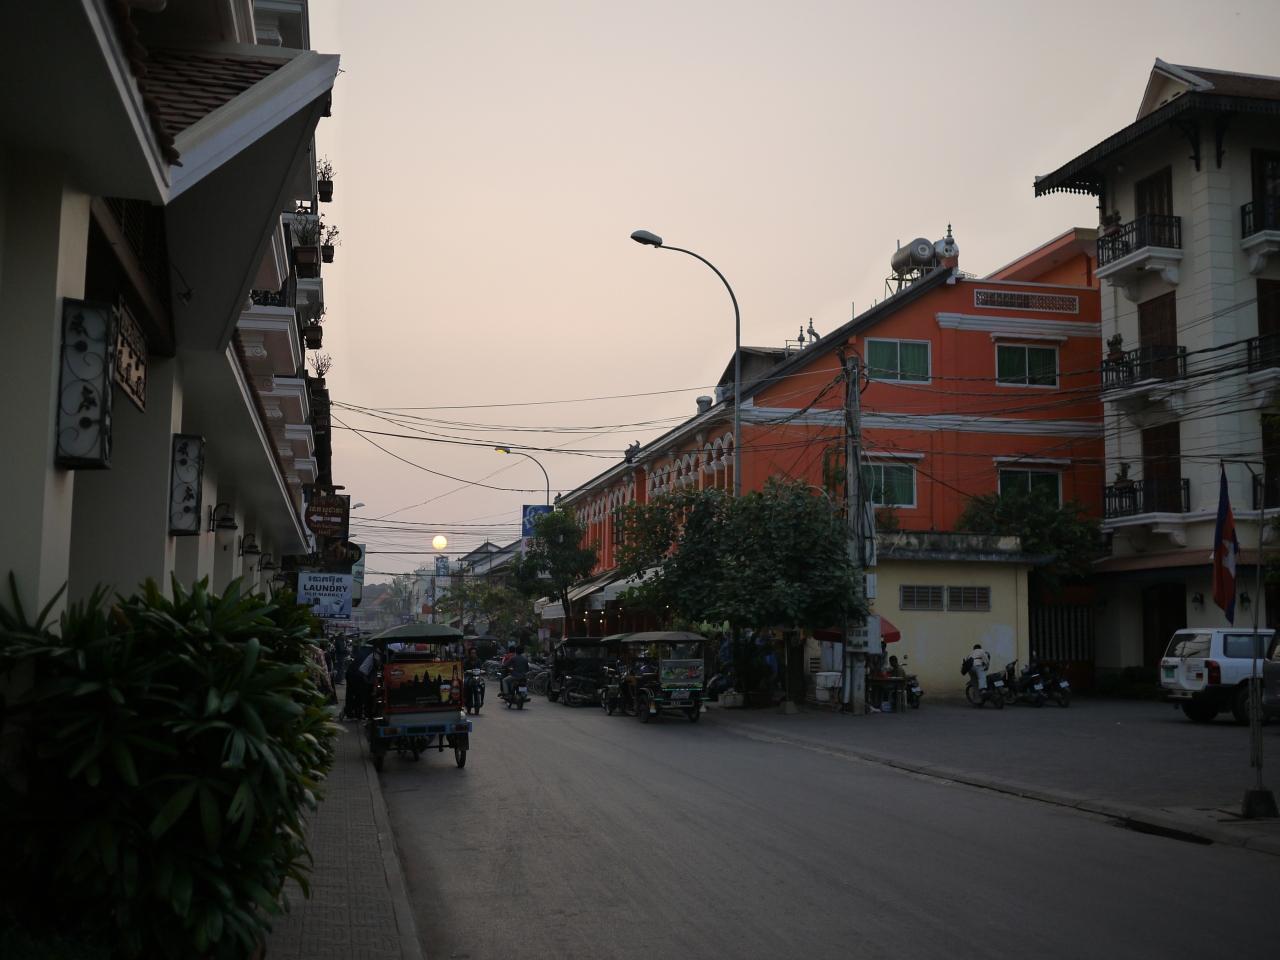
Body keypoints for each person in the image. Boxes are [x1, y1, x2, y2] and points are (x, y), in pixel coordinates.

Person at [464, 647, 483, 714]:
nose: (473, 654)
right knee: (466, 683)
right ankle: (467, 701)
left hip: (477, 677)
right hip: (468, 676)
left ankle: (481, 701)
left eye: (474, 653)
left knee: (482, 684)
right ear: (469, 654)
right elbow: (464, 669)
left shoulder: (479, 661)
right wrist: (467, 671)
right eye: (472, 653)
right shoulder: (466, 661)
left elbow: (481, 668)